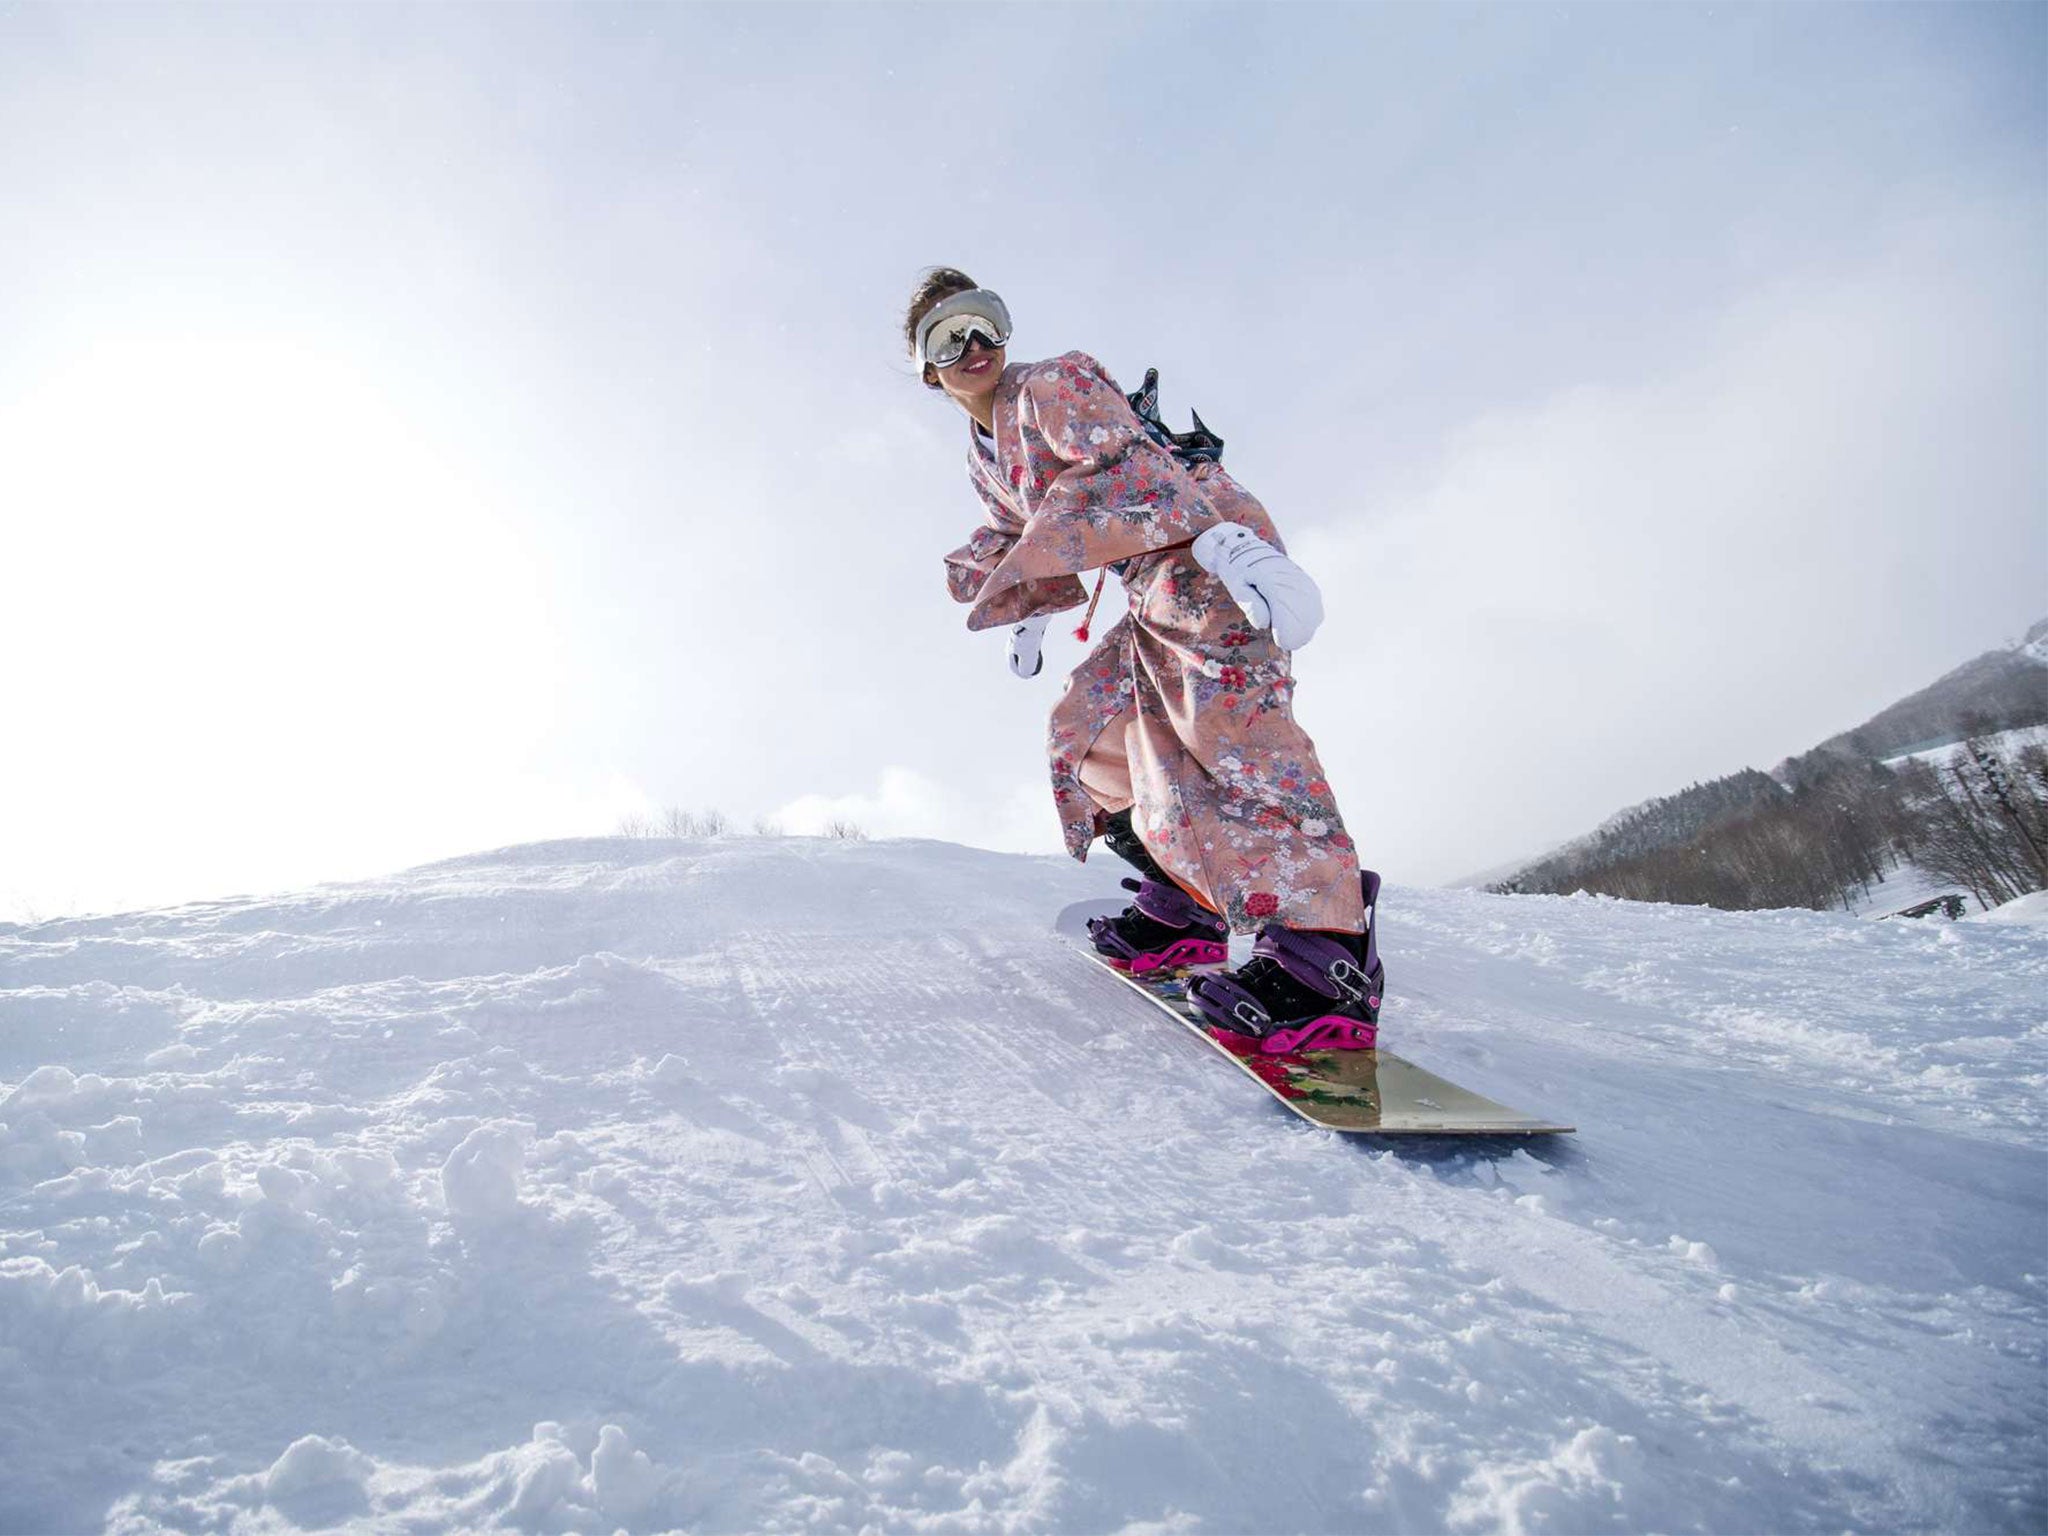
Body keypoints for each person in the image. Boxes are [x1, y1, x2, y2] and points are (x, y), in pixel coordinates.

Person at [908, 268, 1385, 1051]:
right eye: (947, 337)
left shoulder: (1053, 384)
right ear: (929, 371)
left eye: (984, 324)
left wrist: (1230, 546)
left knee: (1234, 739)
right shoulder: (985, 450)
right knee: (1090, 733)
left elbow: (1133, 464)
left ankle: (1325, 953)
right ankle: (1189, 898)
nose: (973, 347)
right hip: (1148, 580)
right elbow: (1013, 528)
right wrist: (1023, 611)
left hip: (1206, 557)